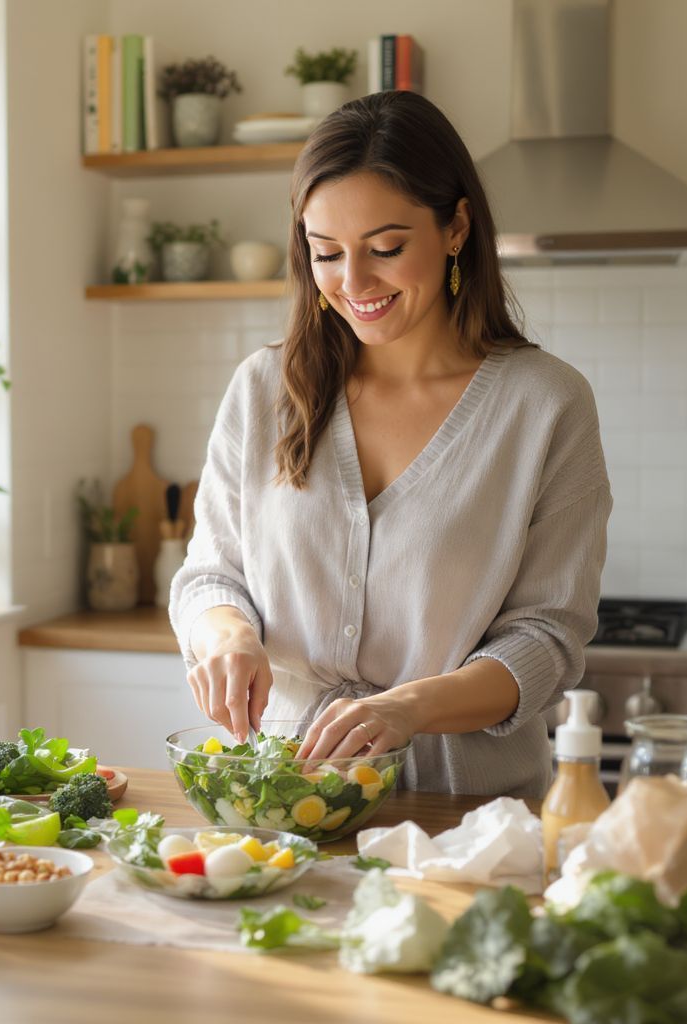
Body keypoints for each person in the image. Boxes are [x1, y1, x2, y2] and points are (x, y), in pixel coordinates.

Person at [167, 92, 611, 799]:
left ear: (456, 227)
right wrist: (229, 638)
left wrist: (407, 709)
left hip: (467, 813)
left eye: (386, 249)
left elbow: (547, 642)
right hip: (285, 800)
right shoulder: (263, 389)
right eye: (326, 253)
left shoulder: (546, 404)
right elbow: (210, 577)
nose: (354, 283)